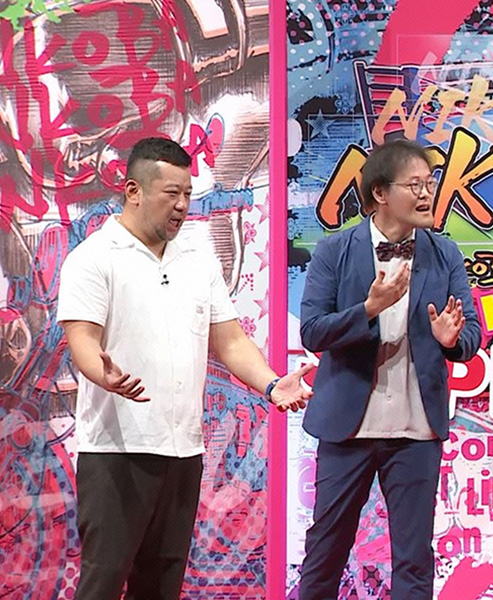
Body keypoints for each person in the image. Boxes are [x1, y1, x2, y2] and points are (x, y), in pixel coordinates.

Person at [57, 137, 313, 600]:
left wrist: (273, 384)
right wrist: (102, 374)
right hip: (116, 453)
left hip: (183, 453)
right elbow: (83, 341)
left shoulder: (197, 259)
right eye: (171, 193)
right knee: (103, 581)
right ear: (133, 191)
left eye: (188, 194)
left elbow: (230, 340)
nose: (181, 205)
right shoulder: (93, 258)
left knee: (162, 585)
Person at [298, 139, 482, 599]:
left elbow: (473, 333)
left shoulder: (445, 253)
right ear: (380, 193)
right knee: (326, 550)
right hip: (347, 427)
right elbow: (312, 332)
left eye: (430, 184)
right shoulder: (334, 250)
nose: (426, 194)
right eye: (414, 185)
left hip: (417, 430)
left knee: (414, 558)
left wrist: (452, 340)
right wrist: (368, 309)